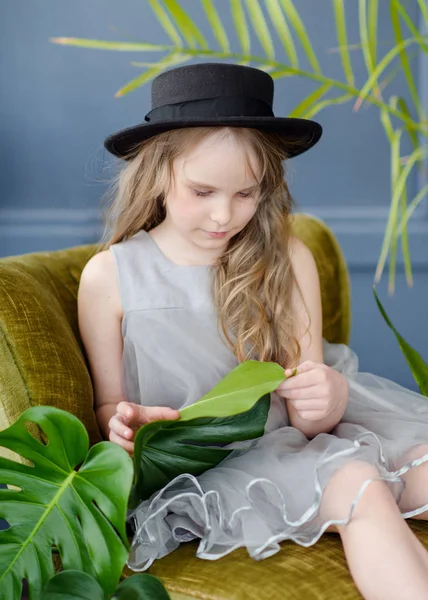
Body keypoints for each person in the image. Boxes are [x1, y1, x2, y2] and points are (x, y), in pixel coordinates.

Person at [77, 62, 428, 600]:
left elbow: (312, 417)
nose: (224, 215)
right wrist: (126, 427)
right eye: (203, 191)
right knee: (361, 485)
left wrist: (326, 396)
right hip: (205, 467)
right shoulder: (111, 278)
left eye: (246, 194)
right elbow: (109, 410)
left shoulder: (286, 257)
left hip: (296, 439)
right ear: (157, 175)